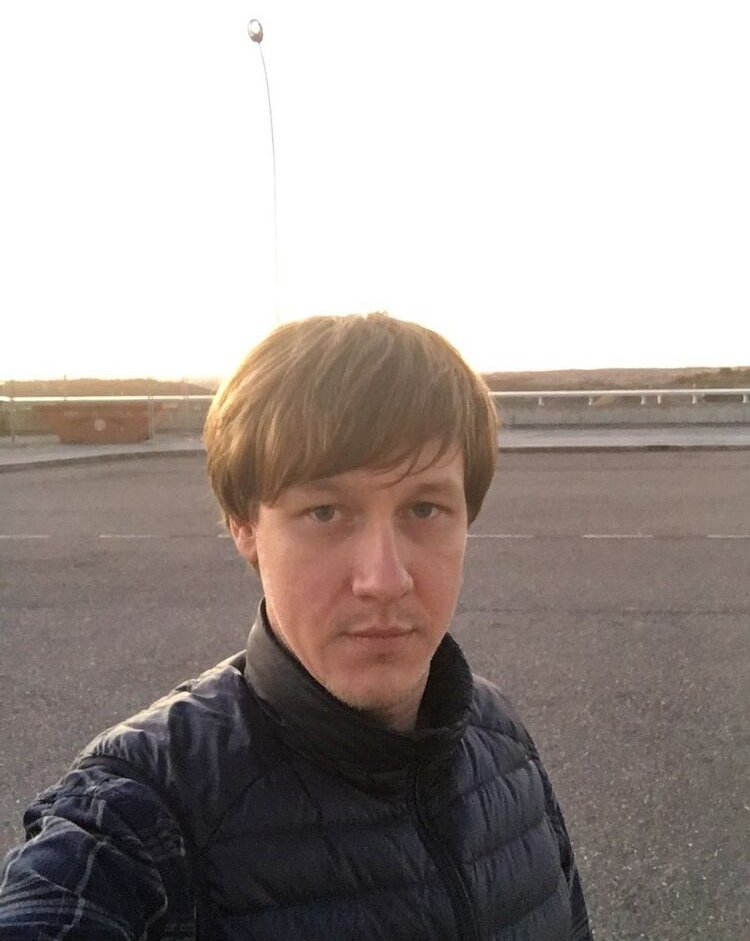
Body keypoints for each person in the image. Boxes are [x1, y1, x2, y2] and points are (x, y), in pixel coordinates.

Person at [0, 313, 592, 940]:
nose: (384, 579)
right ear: (244, 527)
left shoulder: (499, 737)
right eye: (325, 511)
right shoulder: (143, 811)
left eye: (425, 508)